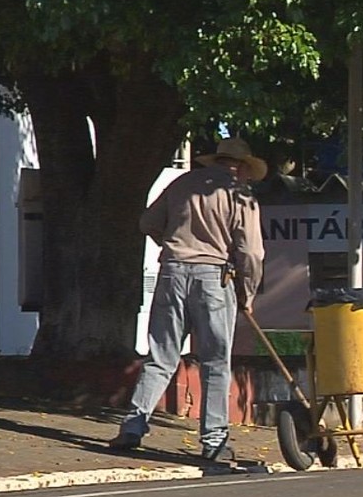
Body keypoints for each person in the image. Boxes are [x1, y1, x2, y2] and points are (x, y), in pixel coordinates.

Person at [109, 137, 266, 463]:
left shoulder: (183, 183)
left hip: (172, 272)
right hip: (213, 277)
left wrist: (172, 244)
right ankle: (213, 440)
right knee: (215, 361)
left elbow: (147, 223)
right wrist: (247, 293)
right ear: (241, 167)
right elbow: (251, 252)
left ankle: (133, 427)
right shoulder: (240, 195)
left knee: (161, 357)